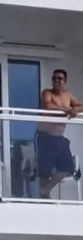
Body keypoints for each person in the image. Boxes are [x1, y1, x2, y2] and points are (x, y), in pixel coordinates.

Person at [37, 69, 83, 198]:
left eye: (59, 78)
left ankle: (46, 191)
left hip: (59, 138)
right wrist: (68, 110)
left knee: (68, 167)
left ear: (65, 82)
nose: (56, 80)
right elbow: (47, 106)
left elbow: (81, 106)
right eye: (54, 78)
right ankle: (44, 199)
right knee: (44, 172)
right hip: (45, 137)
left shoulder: (68, 95)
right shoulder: (47, 92)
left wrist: (75, 109)